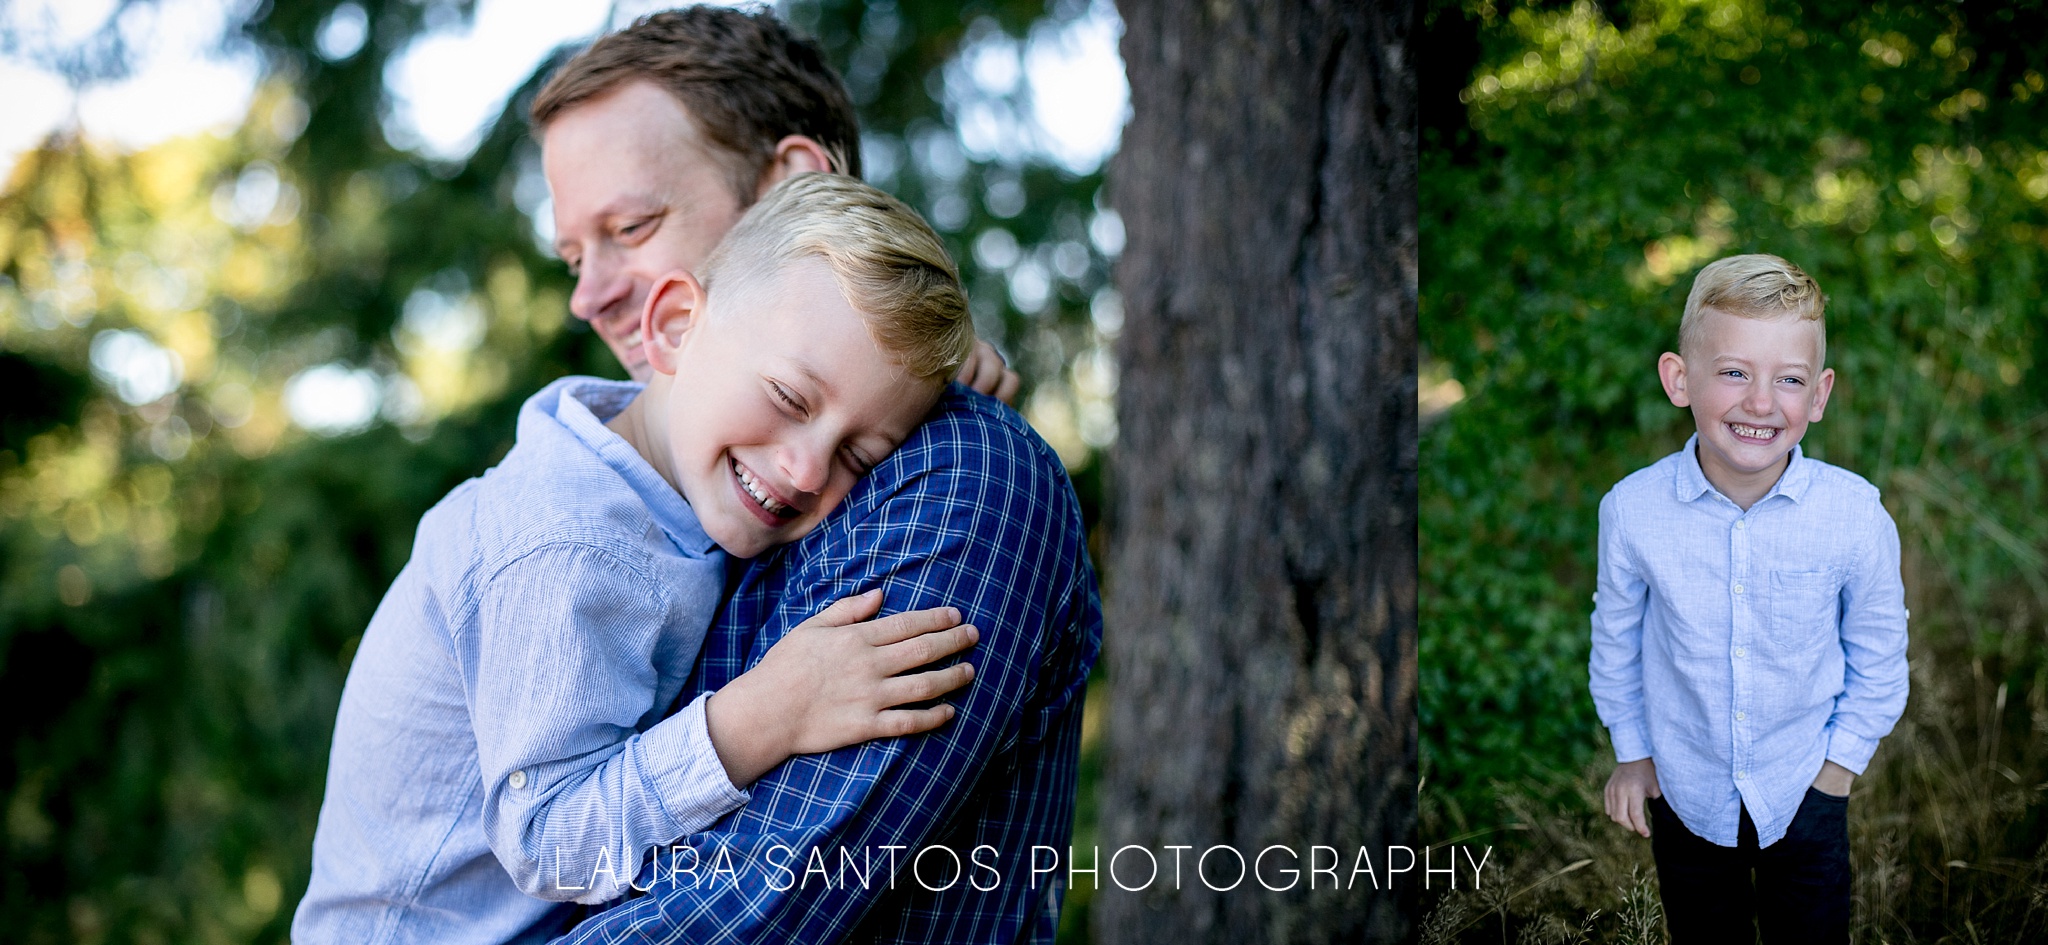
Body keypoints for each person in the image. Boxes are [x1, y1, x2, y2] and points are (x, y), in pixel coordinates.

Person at [294, 174, 988, 944]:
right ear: (677, 326)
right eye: (790, 399)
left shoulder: (678, 487)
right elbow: (553, 844)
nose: (806, 471)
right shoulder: (565, 545)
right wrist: (767, 714)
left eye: (860, 454)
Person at [533, 8, 1100, 942]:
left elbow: (743, 907)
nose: (589, 293)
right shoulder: (637, 496)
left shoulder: (956, 476)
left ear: (788, 186)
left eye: (630, 226)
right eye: (572, 253)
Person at [1588, 254, 1909, 943]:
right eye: (1734, 372)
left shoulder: (1854, 515)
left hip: (1806, 788)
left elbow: (1880, 654)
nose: (1762, 403)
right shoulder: (1633, 511)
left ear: (1818, 395)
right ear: (1680, 379)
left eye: (1788, 380)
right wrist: (1633, 749)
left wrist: (1837, 770)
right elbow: (1616, 639)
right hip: (1684, 790)